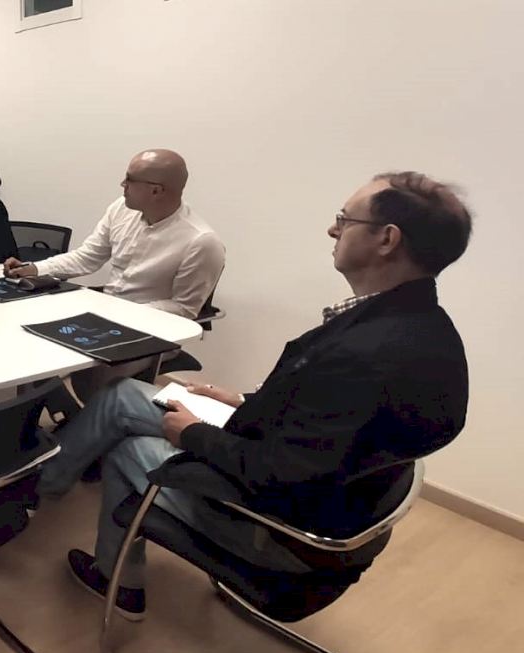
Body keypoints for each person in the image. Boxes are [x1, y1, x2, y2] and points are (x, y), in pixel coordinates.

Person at [36, 171, 471, 621]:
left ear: (386, 239)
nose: (333, 229)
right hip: (312, 481)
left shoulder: (367, 354)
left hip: (281, 530)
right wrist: (244, 402)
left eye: (345, 219)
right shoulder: (425, 328)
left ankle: (117, 581)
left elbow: (282, 473)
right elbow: (328, 423)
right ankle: (43, 485)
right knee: (122, 394)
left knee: (129, 450)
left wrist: (194, 435)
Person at [4, 149, 226, 408]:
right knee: (29, 341)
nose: (122, 185)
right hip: (105, 318)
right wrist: (36, 269)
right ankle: (55, 418)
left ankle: (80, 421)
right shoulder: (121, 209)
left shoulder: (201, 242)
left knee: (91, 382)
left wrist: (118, 313)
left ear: (156, 190)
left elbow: (184, 310)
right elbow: (88, 257)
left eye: (129, 179)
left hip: (150, 332)